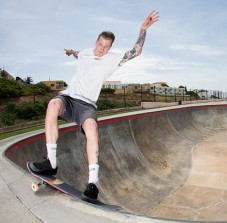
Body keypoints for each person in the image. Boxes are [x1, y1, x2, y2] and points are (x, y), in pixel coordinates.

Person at [29, 10, 160, 203]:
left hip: (86, 105)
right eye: (100, 44)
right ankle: (51, 162)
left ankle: (93, 184)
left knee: (91, 127)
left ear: (110, 48)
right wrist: (70, 51)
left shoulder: (113, 59)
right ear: (95, 42)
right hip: (68, 98)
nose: (101, 49)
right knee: (53, 104)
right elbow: (77, 54)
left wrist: (142, 29)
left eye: (106, 47)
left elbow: (136, 51)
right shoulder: (84, 53)